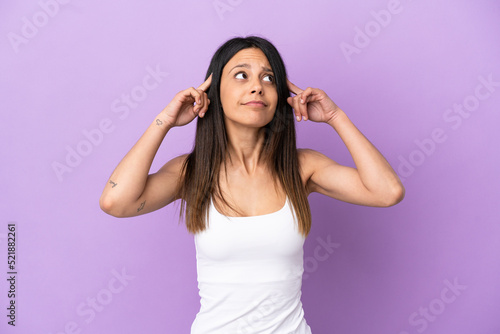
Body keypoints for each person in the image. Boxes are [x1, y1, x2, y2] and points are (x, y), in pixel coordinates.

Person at [99, 36, 405, 333]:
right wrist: (164, 120)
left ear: (279, 97)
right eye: (242, 75)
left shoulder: (303, 168)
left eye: (269, 78)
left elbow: (387, 192)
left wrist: (336, 117)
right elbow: (116, 202)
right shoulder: (191, 172)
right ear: (214, 91)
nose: (257, 86)